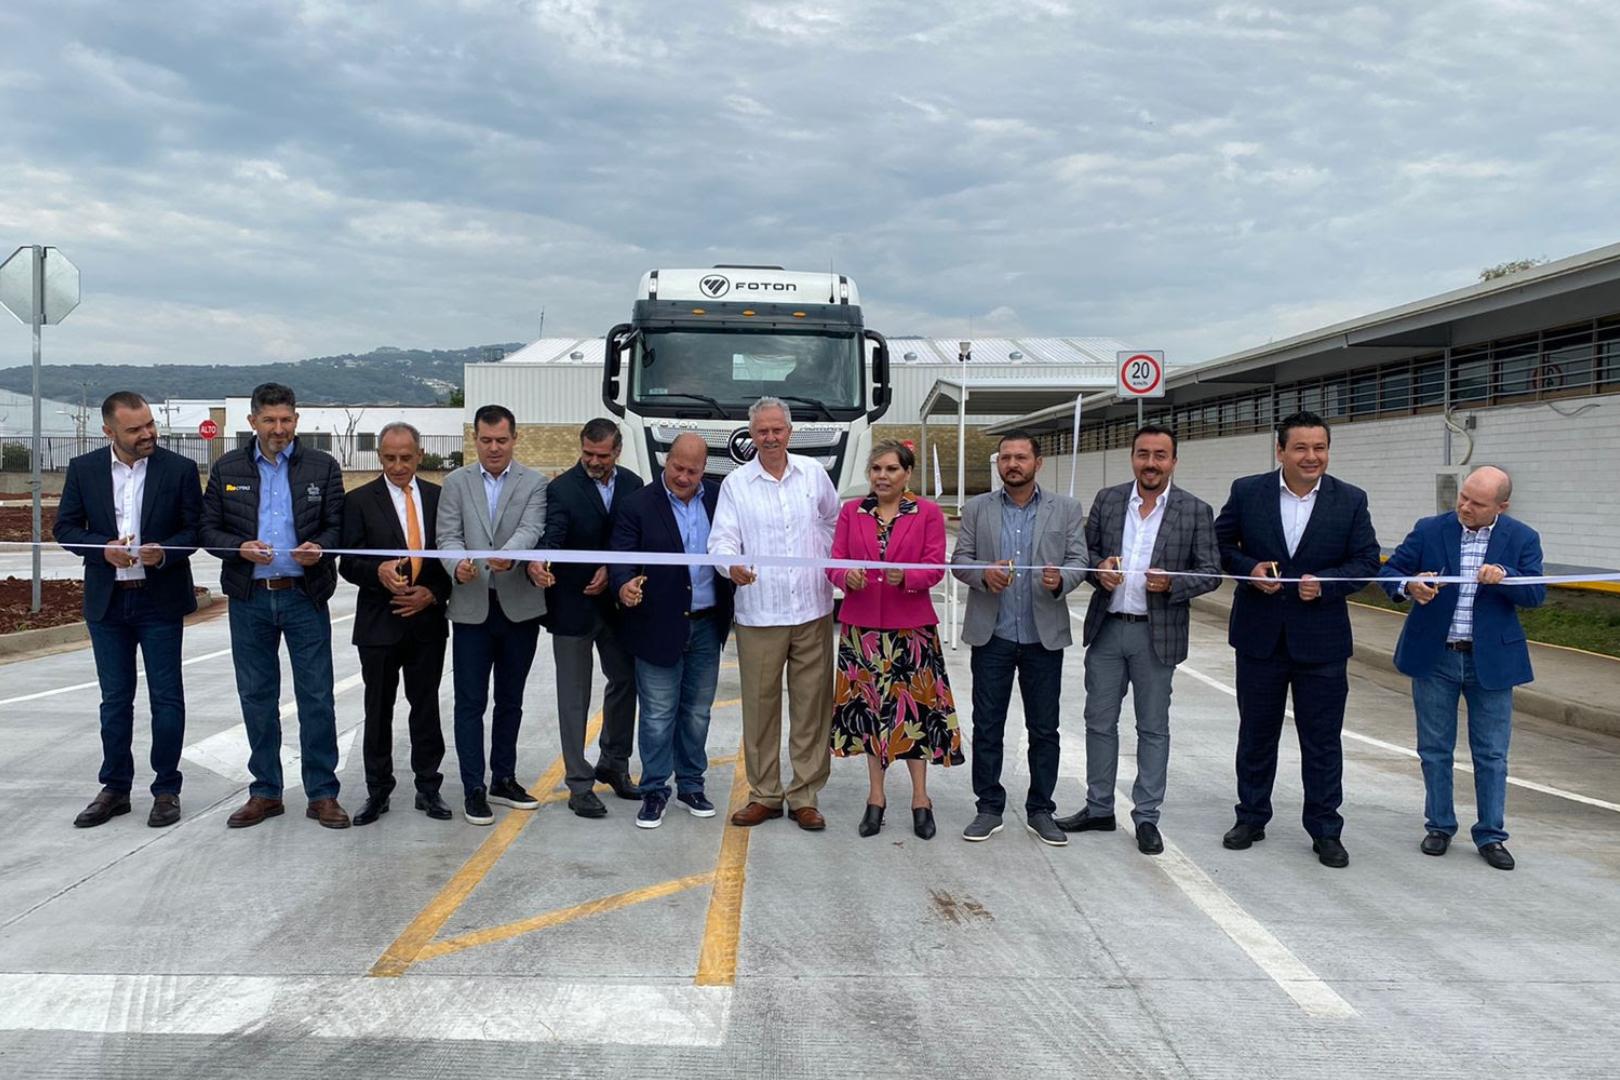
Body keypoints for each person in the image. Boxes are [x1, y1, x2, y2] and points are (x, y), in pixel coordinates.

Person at [1214, 410, 1380, 868]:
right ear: (1280, 451)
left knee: (1322, 741)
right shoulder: (1248, 492)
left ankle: (1325, 830)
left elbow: (1367, 561)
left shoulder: (1350, 500)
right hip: (1259, 638)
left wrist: (1326, 583)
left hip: (1321, 642)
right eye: (1301, 448)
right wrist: (1248, 570)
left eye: (1319, 448)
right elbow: (1220, 545)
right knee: (1256, 735)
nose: (1312, 457)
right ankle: (1251, 817)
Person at [1055, 425, 1221, 855]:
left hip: (1157, 634)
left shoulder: (1195, 510)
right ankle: (1099, 807)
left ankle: (1147, 816)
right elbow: (1085, 555)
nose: (1151, 463)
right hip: (1108, 628)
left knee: (1152, 728)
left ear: (1173, 461)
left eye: (1160, 455)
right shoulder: (1109, 501)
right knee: (1098, 721)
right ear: (1132, 458)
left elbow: (1211, 572)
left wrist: (1174, 583)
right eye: (1143, 454)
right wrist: (1099, 571)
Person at [1378, 465, 1545, 871]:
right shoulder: (1429, 529)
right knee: (1435, 749)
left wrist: (1506, 577)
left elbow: (1536, 593)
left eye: (1477, 503)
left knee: (1491, 753)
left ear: (1501, 507)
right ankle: (1439, 825)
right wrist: (1409, 586)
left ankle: (1491, 834)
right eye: (1464, 497)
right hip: (1436, 656)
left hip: (1492, 661)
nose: (1465, 507)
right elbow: (1387, 572)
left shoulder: (1522, 538)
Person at [201, 382, 350, 829]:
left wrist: (320, 548)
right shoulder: (227, 467)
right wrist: (238, 548)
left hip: (305, 596)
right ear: (253, 421)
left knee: (316, 696)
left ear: (296, 420)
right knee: (256, 696)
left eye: (286, 419)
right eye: (269, 420)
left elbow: (338, 526)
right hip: (250, 599)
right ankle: (266, 791)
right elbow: (207, 529)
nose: (279, 428)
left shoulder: (322, 467)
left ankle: (322, 793)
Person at [54, 392, 201, 829]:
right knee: (115, 700)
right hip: (108, 601)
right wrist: (102, 549)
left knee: (166, 698)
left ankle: (166, 789)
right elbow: (65, 527)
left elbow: (196, 529)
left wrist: (165, 551)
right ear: (109, 431)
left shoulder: (179, 469)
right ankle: (115, 788)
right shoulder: (84, 469)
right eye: (135, 429)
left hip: (159, 600)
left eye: (149, 424)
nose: (147, 434)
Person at [708, 397, 840, 831]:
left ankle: (805, 796)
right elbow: (721, 539)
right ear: (752, 435)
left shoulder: (814, 474)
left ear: (789, 432)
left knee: (811, 708)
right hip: (760, 614)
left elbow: (833, 522)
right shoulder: (736, 484)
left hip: (812, 610)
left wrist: (824, 561)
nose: (769, 438)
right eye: (762, 431)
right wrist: (731, 566)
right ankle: (764, 794)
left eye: (776, 430)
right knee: (760, 710)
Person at [950, 430, 1088, 846]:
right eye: (1006, 457)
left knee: (1044, 728)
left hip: (1042, 637)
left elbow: (1079, 560)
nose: (1012, 464)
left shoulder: (1066, 509)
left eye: (1021, 457)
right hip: (991, 634)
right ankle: (988, 807)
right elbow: (960, 560)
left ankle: (1041, 809)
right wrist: (983, 574)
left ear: (1037, 463)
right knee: (987, 725)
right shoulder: (977, 508)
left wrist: (1060, 580)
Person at [825, 440, 960, 841]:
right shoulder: (852, 511)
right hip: (863, 629)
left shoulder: (928, 513)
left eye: (891, 469)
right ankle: (876, 797)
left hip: (911, 629)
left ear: (907, 474)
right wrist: (844, 577)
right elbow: (834, 561)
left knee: (913, 714)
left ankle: (921, 798)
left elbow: (935, 567)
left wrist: (910, 578)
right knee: (870, 714)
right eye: (876, 469)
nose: (882, 476)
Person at [609, 433, 734, 829]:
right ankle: (654, 790)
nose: (683, 477)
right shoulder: (637, 505)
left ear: (704, 469)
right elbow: (620, 558)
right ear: (667, 460)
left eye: (692, 471)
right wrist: (623, 585)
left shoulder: (719, 499)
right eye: (678, 467)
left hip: (707, 623)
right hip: (656, 624)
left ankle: (692, 785)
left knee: (697, 713)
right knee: (658, 715)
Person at [437, 404, 550, 826]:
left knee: (510, 700)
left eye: (502, 440)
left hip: (519, 608)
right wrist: (457, 566)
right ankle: (473, 787)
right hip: (471, 607)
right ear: (475, 440)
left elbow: (531, 529)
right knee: (469, 701)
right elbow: (447, 536)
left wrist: (508, 555)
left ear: (514, 439)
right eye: (486, 440)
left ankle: (503, 778)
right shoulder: (456, 483)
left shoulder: (534, 483)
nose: (494, 448)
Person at [338, 422, 454, 826]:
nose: (398, 466)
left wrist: (433, 594)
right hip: (379, 623)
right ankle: (377, 790)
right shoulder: (358, 501)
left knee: (426, 707)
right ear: (380, 457)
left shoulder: (440, 498)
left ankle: (429, 787)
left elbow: (451, 556)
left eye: (406, 457)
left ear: (420, 455)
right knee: (377, 709)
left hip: (427, 622)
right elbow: (347, 562)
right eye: (389, 458)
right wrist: (377, 572)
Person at [539, 418, 644, 818]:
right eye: (587, 453)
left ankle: (614, 763)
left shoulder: (633, 485)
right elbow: (553, 538)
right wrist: (540, 562)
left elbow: (637, 540)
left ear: (617, 451)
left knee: (626, 681)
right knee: (574, 698)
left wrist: (612, 571)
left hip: (618, 609)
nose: (594, 462)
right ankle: (579, 784)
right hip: (572, 607)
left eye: (602, 455)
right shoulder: (561, 489)